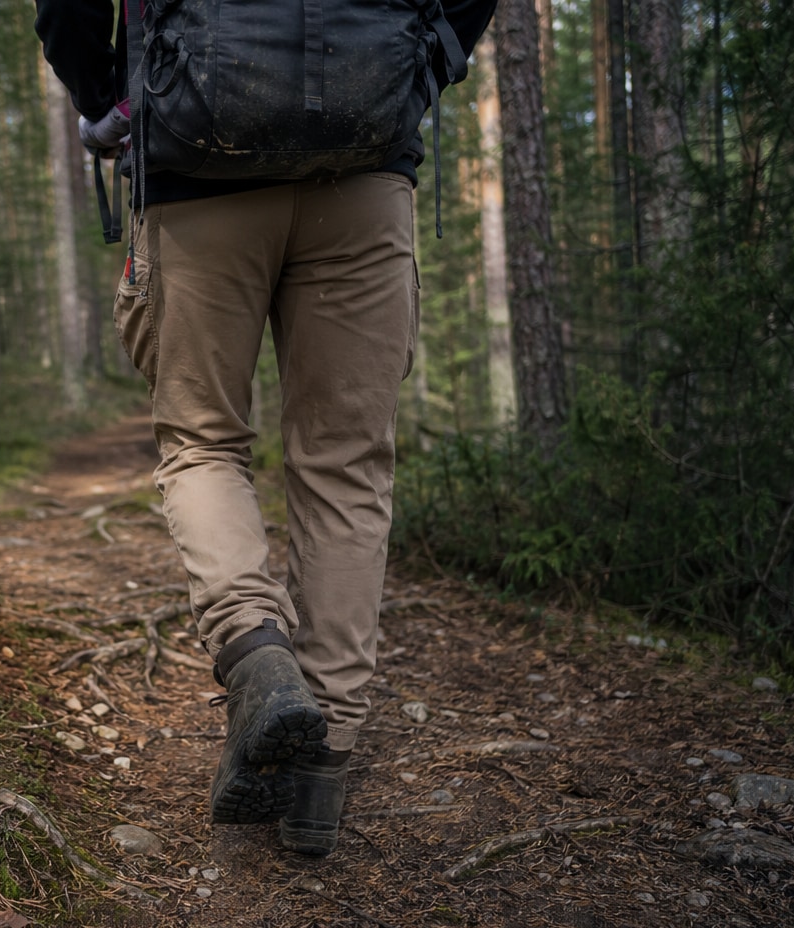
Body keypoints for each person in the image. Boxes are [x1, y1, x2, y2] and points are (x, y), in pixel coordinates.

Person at [35, 0, 494, 856]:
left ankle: (256, 654)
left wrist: (108, 99)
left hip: (197, 169)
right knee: (346, 465)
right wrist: (424, 68)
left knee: (204, 440)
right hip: (364, 169)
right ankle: (324, 771)